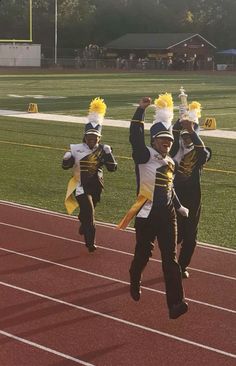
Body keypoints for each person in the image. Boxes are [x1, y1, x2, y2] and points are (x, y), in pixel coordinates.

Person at [118, 94, 189, 319]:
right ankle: (135, 275)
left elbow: (170, 189)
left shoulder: (170, 163)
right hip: (146, 213)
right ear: (154, 140)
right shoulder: (144, 155)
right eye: (162, 140)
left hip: (167, 214)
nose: (167, 144)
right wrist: (141, 110)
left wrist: (179, 207)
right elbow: (134, 137)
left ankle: (175, 304)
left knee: (171, 259)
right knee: (143, 254)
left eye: (169, 141)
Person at [62, 97, 117, 252]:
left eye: (95, 137)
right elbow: (65, 167)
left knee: (87, 213)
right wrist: (66, 159)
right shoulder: (76, 148)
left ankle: (83, 221)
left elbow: (113, 168)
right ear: (85, 137)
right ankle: (90, 242)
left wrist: (109, 155)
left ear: (99, 138)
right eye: (89, 137)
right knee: (90, 214)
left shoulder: (103, 149)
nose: (92, 139)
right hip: (80, 186)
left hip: (97, 187)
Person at [170, 101, 211, 278]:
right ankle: (170, 262)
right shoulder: (174, 150)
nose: (186, 139)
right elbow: (171, 135)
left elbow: (203, 154)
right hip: (174, 195)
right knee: (173, 233)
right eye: (184, 136)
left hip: (193, 196)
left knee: (190, 236)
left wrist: (192, 130)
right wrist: (180, 123)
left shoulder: (203, 150)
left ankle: (182, 266)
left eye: (189, 136)